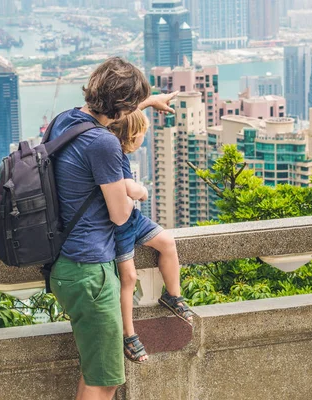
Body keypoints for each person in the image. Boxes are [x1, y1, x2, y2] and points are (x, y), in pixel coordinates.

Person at [46, 57, 178, 400]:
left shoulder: (66, 120)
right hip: (91, 271)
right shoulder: (104, 144)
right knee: (104, 379)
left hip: (64, 265)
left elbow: (110, 118)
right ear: (123, 107)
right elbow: (120, 215)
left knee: (97, 371)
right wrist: (137, 190)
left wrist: (147, 102)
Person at [107, 110, 193, 364]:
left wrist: (150, 101)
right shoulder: (113, 154)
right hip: (118, 225)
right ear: (133, 135)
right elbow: (129, 188)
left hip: (133, 219)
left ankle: (173, 296)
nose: (145, 136)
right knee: (129, 277)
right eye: (143, 132)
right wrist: (143, 190)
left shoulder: (119, 150)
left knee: (167, 242)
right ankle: (128, 333)